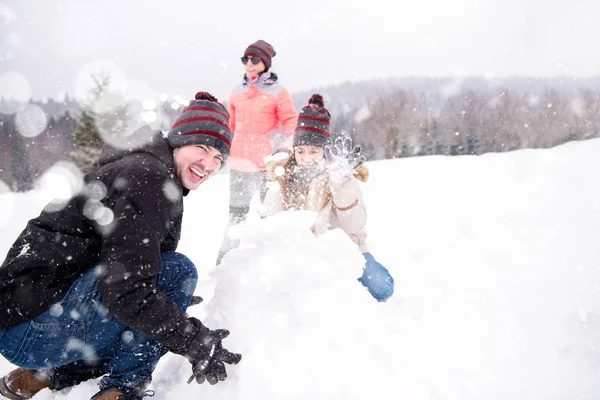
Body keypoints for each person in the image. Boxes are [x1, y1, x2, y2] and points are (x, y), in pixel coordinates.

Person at [0, 92, 242, 400]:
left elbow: (126, 269)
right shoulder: (150, 179)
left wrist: (164, 301)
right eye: (202, 148)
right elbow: (126, 291)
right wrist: (191, 337)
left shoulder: (147, 169)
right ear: (180, 141)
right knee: (178, 272)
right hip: (33, 327)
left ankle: (42, 375)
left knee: (153, 303)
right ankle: (121, 391)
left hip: (19, 321)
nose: (208, 164)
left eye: (218, 159)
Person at [263, 94, 394, 302]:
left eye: (314, 152)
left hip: (341, 249)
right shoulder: (283, 179)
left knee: (381, 287)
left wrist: (343, 186)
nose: (306, 159)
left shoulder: (337, 176)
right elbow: (271, 225)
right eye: (301, 152)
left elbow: (355, 226)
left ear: (325, 152)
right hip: (298, 250)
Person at [217, 39, 298, 264]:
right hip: (239, 164)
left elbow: (291, 121)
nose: (249, 64)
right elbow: (229, 126)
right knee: (236, 217)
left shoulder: (278, 92)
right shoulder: (237, 91)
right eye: (245, 59)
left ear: (265, 62)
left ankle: (274, 264)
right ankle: (224, 266)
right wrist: (221, 148)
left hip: (267, 167)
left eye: (254, 59)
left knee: (270, 216)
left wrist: (286, 149)